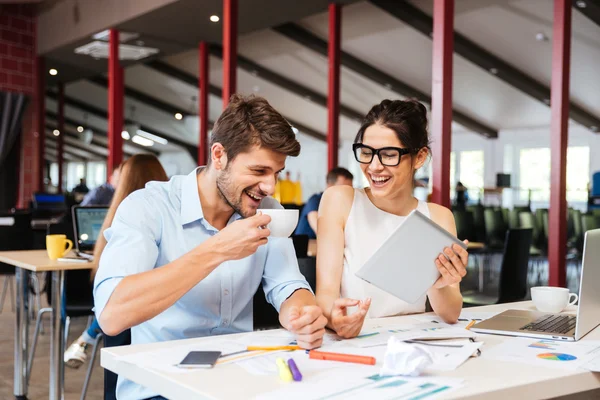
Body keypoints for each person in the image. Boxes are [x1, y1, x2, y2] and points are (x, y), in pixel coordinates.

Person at [93, 95, 327, 400]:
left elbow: (288, 285)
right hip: (160, 386)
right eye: (259, 171)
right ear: (219, 156)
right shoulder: (148, 207)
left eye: (276, 173)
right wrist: (217, 250)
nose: (270, 187)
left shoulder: (267, 209)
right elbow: (111, 316)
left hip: (239, 380)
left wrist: (303, 314)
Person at [316, 99, 469, 339]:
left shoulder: (438, 217)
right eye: (366, 153)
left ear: (419, 158)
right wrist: (336, 319)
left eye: (388, 155)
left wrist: (439, 284)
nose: (374, 167)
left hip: (411, 343)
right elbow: (325, 294)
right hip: (353, 340)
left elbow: (450, 314)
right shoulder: (340, 201)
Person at [64, 155, 168, 368]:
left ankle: (87, 337)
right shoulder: (169, 219)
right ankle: (87, 336)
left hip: (124, 323)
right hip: (162, 322)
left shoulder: (121, 216)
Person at [294, 167, 354, 239]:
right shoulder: (315, 201)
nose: (347, 193)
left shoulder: (342, 206)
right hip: (304, 248)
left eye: (350, 189)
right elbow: (322, 232)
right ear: (329, 186)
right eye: (343, 188)